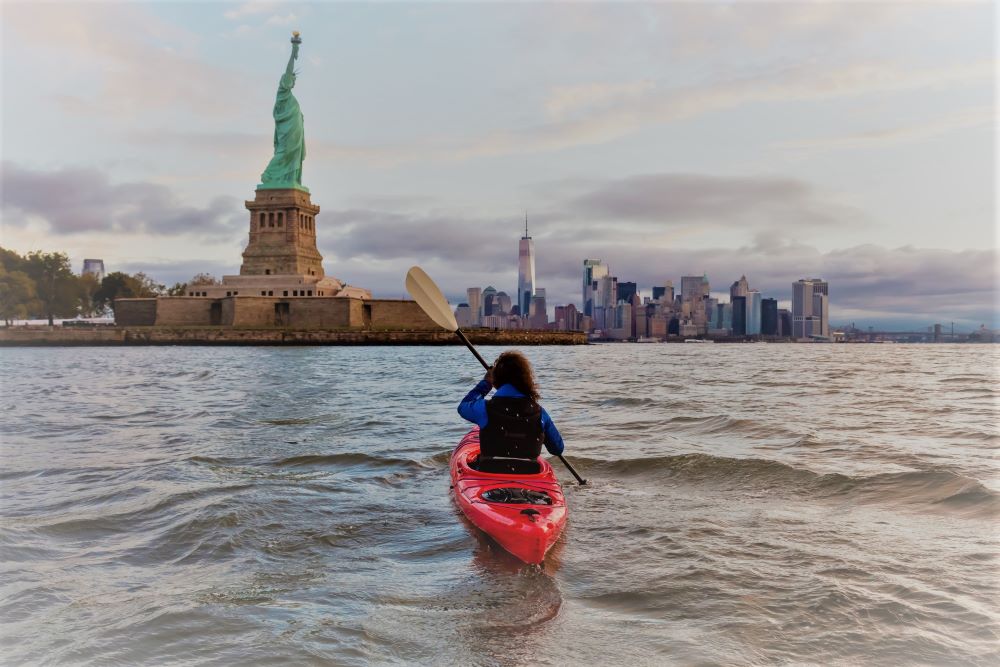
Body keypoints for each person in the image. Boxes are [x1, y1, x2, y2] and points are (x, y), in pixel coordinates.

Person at [457, 351, 564, 473]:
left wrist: (486, 383)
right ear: (525, 380)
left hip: (490, 471)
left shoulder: (484, 408)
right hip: (529, 473)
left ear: (497, 380)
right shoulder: (540, 413)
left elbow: (463, 407)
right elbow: (557, 449)